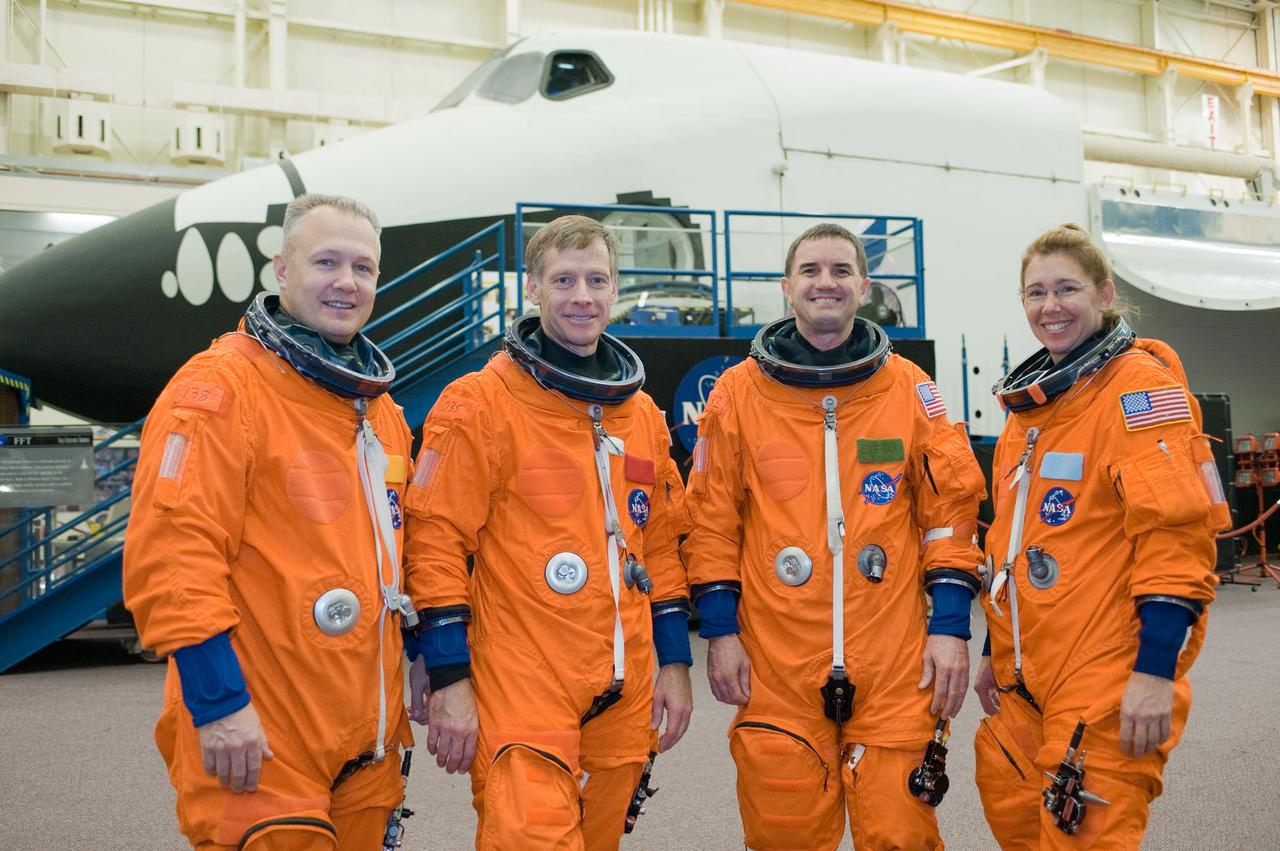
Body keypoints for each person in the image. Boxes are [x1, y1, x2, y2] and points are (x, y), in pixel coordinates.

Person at [124, 194, 420, 849]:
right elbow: (173, 555)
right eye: (326, 262)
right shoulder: (222, 392)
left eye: (363, 268)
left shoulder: (381, 413)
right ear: (281, 269)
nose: (347, 282)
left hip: (365, 743)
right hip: (260, 733)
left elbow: (405, 551)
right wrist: (219, 701)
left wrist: (428, 660)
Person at [682, 222, 987, 850]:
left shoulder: (910, 390)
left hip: (895, 660)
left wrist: (951, 629)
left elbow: (949, 517)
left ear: (864, 286)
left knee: (900, 832)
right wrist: (721, 635)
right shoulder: (737, 395)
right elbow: (710, 521)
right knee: (784, 835)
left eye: (842, 270)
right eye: (812, 271)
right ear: (787, 286)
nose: (827, 283)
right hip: (775, 663)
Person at [402, 214, 693, 849]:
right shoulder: (478, 404)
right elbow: (434, 543)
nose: (582, 296)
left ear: (616, 289)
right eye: (564, 280)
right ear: (532, 288)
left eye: (597, 279)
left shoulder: (641, 415)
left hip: (625, 678)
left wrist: (674, 662)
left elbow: (662, 545)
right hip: (521, 678)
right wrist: (448, 675)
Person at [973, 223, 1226, 849]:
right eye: (1035, 293)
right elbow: (1012, 543)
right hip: (1024, 670)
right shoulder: (1028, 413)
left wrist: (1154, 672)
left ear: (1105, 292)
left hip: (1107, 668)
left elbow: (1175, 540)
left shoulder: (1139, 390)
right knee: (1015, 816)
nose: (1049, 307)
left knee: (1080, 832)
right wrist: (990, 650)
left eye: (1067, 289)